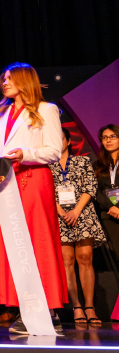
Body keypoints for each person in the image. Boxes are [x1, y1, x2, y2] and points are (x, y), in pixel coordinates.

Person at [0, 62, 67, 335]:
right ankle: (23, 308)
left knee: (37, 242)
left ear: (25, 80)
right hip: (5, 185)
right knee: (13, 245)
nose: (4, 82)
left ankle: (49, 309)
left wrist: (24, 153)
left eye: (10, 78)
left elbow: (54, 150)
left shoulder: (46, 109)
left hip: (32, 180)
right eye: (3, 78)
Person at [49, 128, 106, 325]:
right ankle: (76, 307)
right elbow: (47, 192)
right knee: (67, 261)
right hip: (60, 217)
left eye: (60, 138)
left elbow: (90, 187)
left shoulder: (82, 161)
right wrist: (62, 213)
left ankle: (90, 307)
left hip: (83, 214)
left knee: (85, 258)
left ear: (68, 141)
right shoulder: (48, 166)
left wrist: (76, 211)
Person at [95, 125, 119, 263]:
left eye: (112, 137)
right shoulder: (97, 165)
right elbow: (95, 190)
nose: (108, 140)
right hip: (109, 214)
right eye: (104, 138)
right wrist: (111, 207)